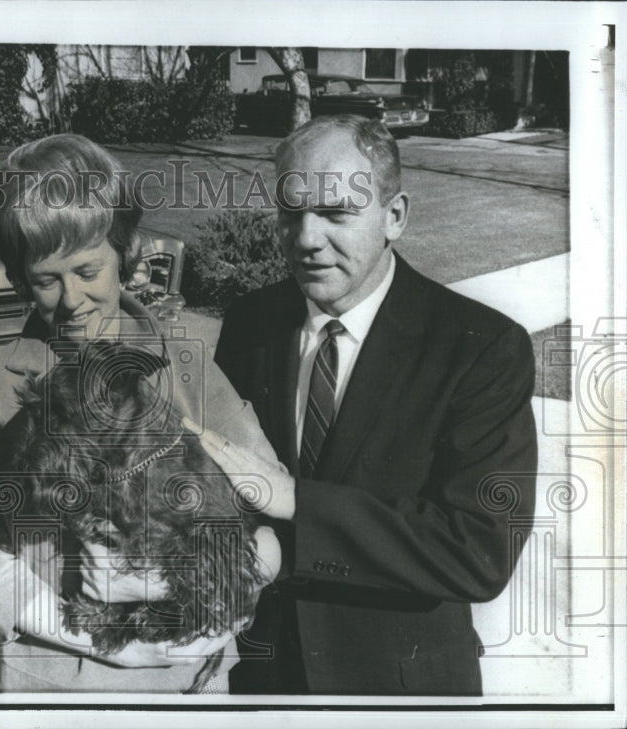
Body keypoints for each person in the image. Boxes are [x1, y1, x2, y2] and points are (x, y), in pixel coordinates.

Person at [202, 114, 538, 695]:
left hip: (401, 688)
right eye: (291, 212)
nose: (306, 238)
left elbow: (480, 550)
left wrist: (297, 502)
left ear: (395, 216)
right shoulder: (251, 323)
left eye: (335, 213)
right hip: (267, 681)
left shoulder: (480, 348)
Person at [0, 133, 281, 692]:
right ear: (18, 280)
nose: (72, 300)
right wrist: (90, 636)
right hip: (56, 678)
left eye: (87, 271)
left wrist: (225, 613)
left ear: (126, 254)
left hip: (186, 673)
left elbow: (270, 512)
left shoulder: (186, 365)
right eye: (46, 280)